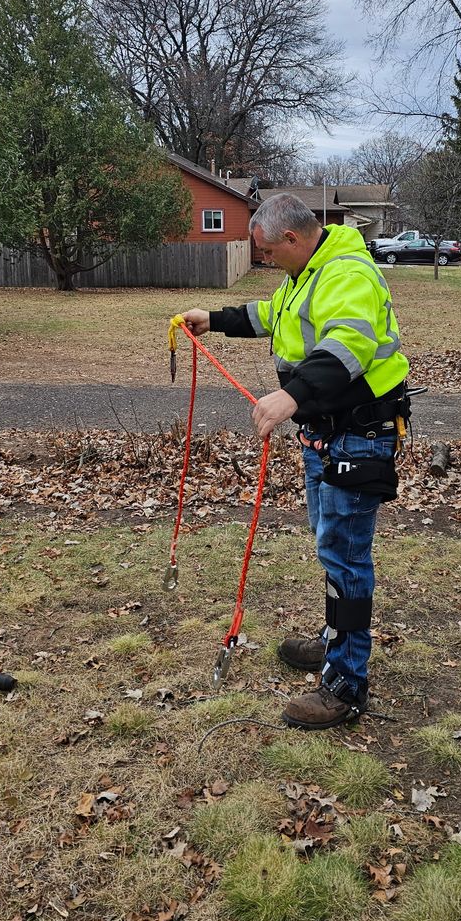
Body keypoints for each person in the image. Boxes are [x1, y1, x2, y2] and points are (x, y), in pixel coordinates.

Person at [179, 193, 409, 729]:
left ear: (291, 239)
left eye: (265, 252)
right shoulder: (306, 273)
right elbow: (273, 315)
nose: (263, 261)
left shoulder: (346, 273)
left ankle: (347, 684)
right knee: (331, 547)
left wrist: (292, 396)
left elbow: (349, 345)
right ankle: (335, 640)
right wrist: (213, 319)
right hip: (326, 434)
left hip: (358, 435)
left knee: (346, 556)